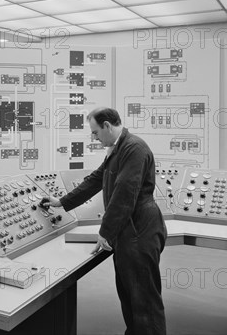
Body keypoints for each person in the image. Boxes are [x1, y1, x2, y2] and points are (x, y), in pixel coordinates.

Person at [43, 107, 167, 335]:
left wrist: (106, 231)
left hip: (139, 230)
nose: (94, 137)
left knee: (144, 300)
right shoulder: (118, 149)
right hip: (128, 230)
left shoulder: (134, 149)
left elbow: (124, 193)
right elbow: (95, 180)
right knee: (129, 294)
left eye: (95, 132)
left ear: (108, 126)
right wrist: (62, 202)